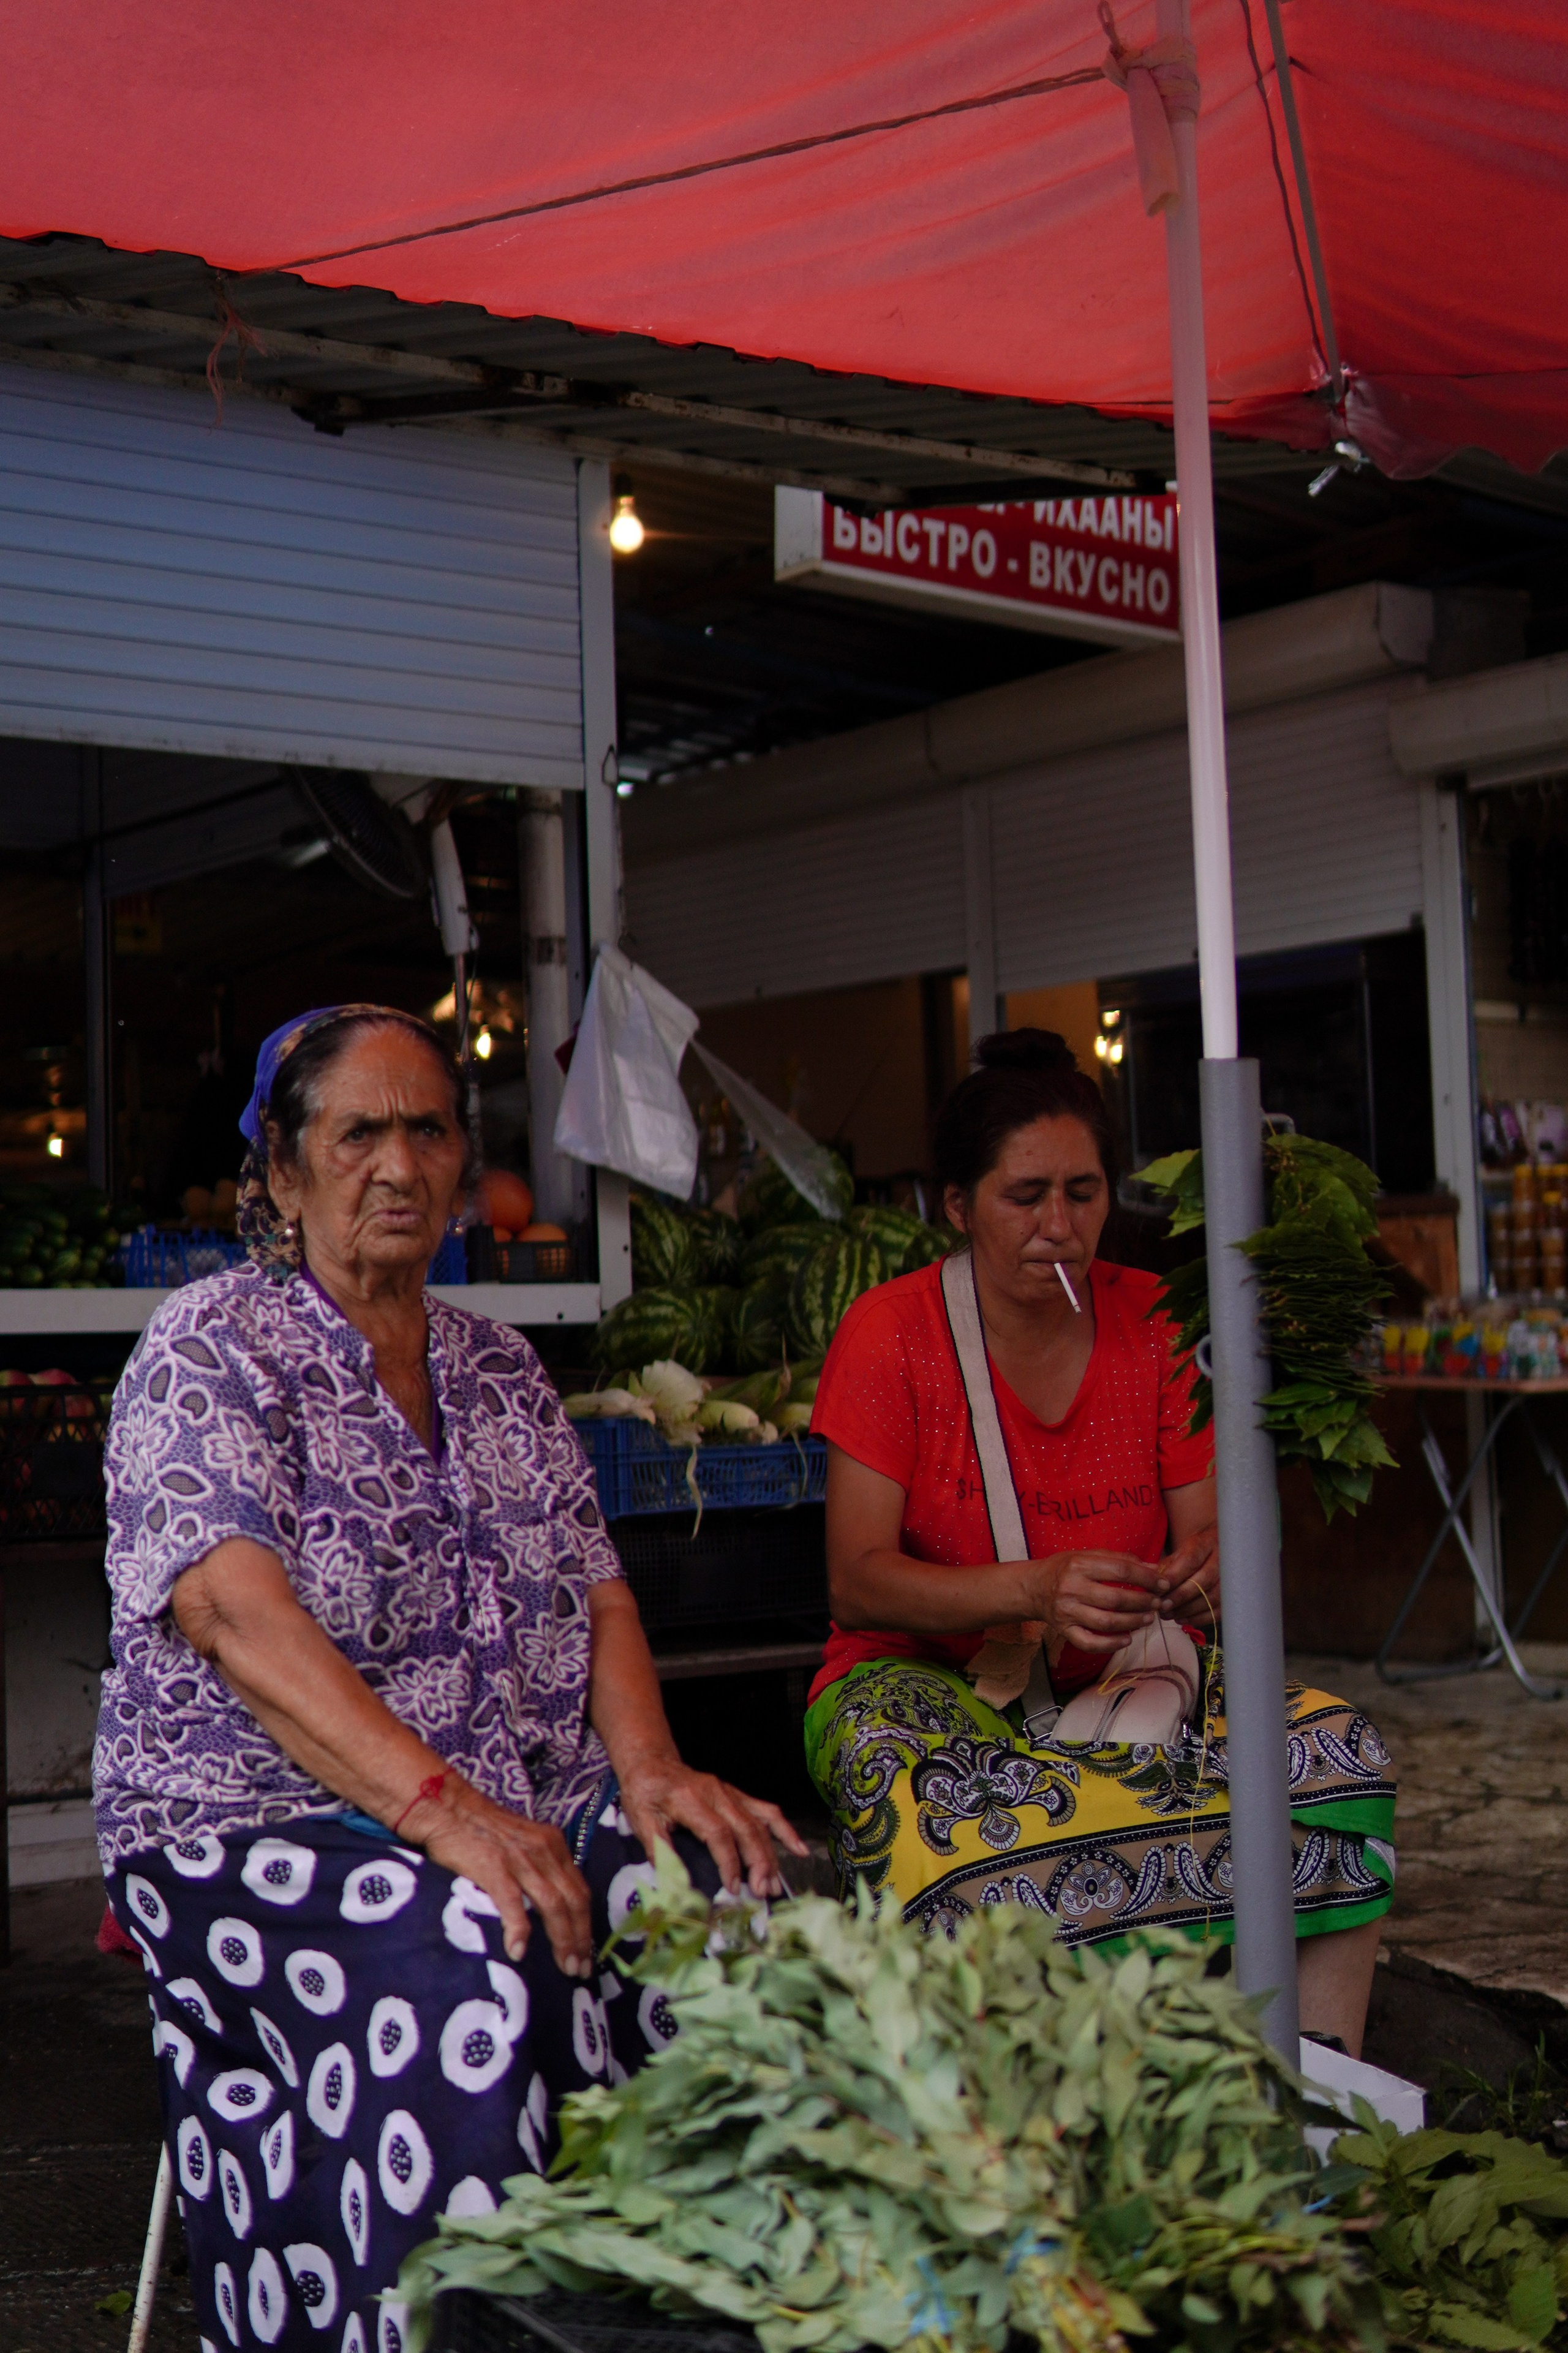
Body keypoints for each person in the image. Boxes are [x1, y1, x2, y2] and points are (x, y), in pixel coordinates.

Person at [95, 1003, 805, 2353]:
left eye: (427, 1129)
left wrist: (649, 1770)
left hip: (520, 1797)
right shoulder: (210, 1348)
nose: (399, 1164)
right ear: (285, 1172)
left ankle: (712, 2313)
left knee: (726, 1894)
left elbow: (598, 1586)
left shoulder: (502, 1369)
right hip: (255, 1824)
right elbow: (233, 1611)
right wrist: (441, 1812)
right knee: (470, 1954)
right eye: (358, 1131)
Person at [804, 1030, 1395, 2057]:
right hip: (920, 1683)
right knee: (959, 1835)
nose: (1060, 1226)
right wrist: (1035, 1585)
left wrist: (1208, 1572)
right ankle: (1017, 2119)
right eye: (1024, 1196)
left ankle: (1319, 2089)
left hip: (1128, 1672)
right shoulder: (889, 1334)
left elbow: (1209, 1523)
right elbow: (858, 1583)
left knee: (1334, 1756)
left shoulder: (1160, 1322)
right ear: (956, 1206)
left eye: (1083, 1193)